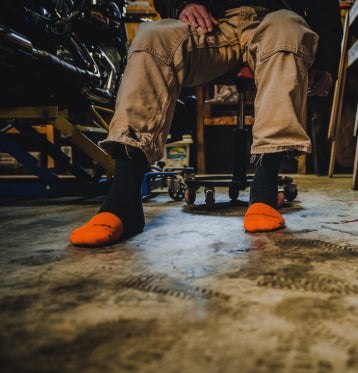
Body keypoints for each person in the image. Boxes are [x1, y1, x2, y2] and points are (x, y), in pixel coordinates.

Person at [69, 0, 342, 246]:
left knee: (288, 31)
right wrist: (183, 5)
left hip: (274, 18)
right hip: (213, 25)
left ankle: (265, 189)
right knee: (152, 37)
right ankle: (124, 199)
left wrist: (328, 63)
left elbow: (325, 9)